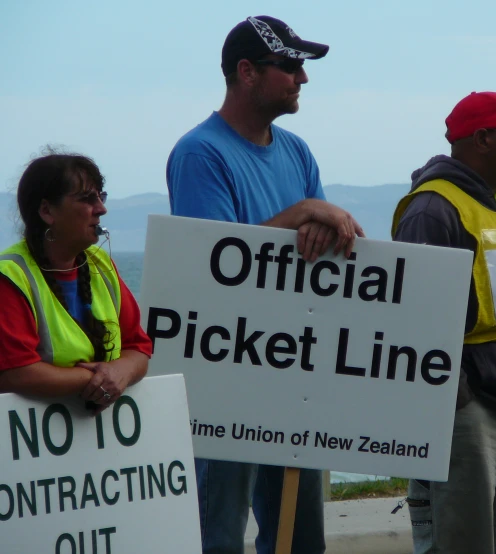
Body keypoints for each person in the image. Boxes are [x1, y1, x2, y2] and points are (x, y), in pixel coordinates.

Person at [166, 15, 364, 554]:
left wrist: (320, 218)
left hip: (290, 375)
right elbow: (210, 261)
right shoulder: (199, 153)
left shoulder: (297, 151)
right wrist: (302, 210)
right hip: (226, 377)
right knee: (220, 536)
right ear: (247, 72)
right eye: (291, 65)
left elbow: (328, 244)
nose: (302, 78)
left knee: (301, 539)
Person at [392, 91, 496, 554]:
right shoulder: (432, 209)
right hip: (471, 409)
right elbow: (414, 319)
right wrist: (459, 396)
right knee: (464, 540)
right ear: (483, 139)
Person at [0, 153, 151, 411]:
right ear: (47, 211)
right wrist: (101, 378)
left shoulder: (100, 264)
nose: (102, 209)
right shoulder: (11, 275)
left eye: (100, 197)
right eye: (87, 199)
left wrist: (122, 371)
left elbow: (138, 347)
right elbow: (15, 373)